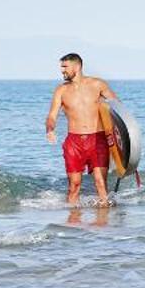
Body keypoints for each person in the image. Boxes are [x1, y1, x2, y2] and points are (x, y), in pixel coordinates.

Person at [45, 52, 120, 206]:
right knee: (74, 185)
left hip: (98, 139)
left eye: (65, 66)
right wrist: (50, 129)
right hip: (74, 142)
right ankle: (73, 222)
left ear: (77, 66)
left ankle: (103, 224)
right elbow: (52, 116)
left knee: (100, 183)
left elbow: (117, 106)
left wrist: (124, 137)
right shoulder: (61, 90)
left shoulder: (98, 84)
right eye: (61, 67)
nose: (62, 70)